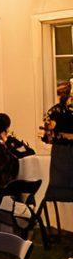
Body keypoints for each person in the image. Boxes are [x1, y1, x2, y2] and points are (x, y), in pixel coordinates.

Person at [43, 80, 73, 212]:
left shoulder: (54, 111)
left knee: (60, 184)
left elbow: (47, 136)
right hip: (63, 151)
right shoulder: (57, 111)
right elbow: (48, 135)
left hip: (61, 150)